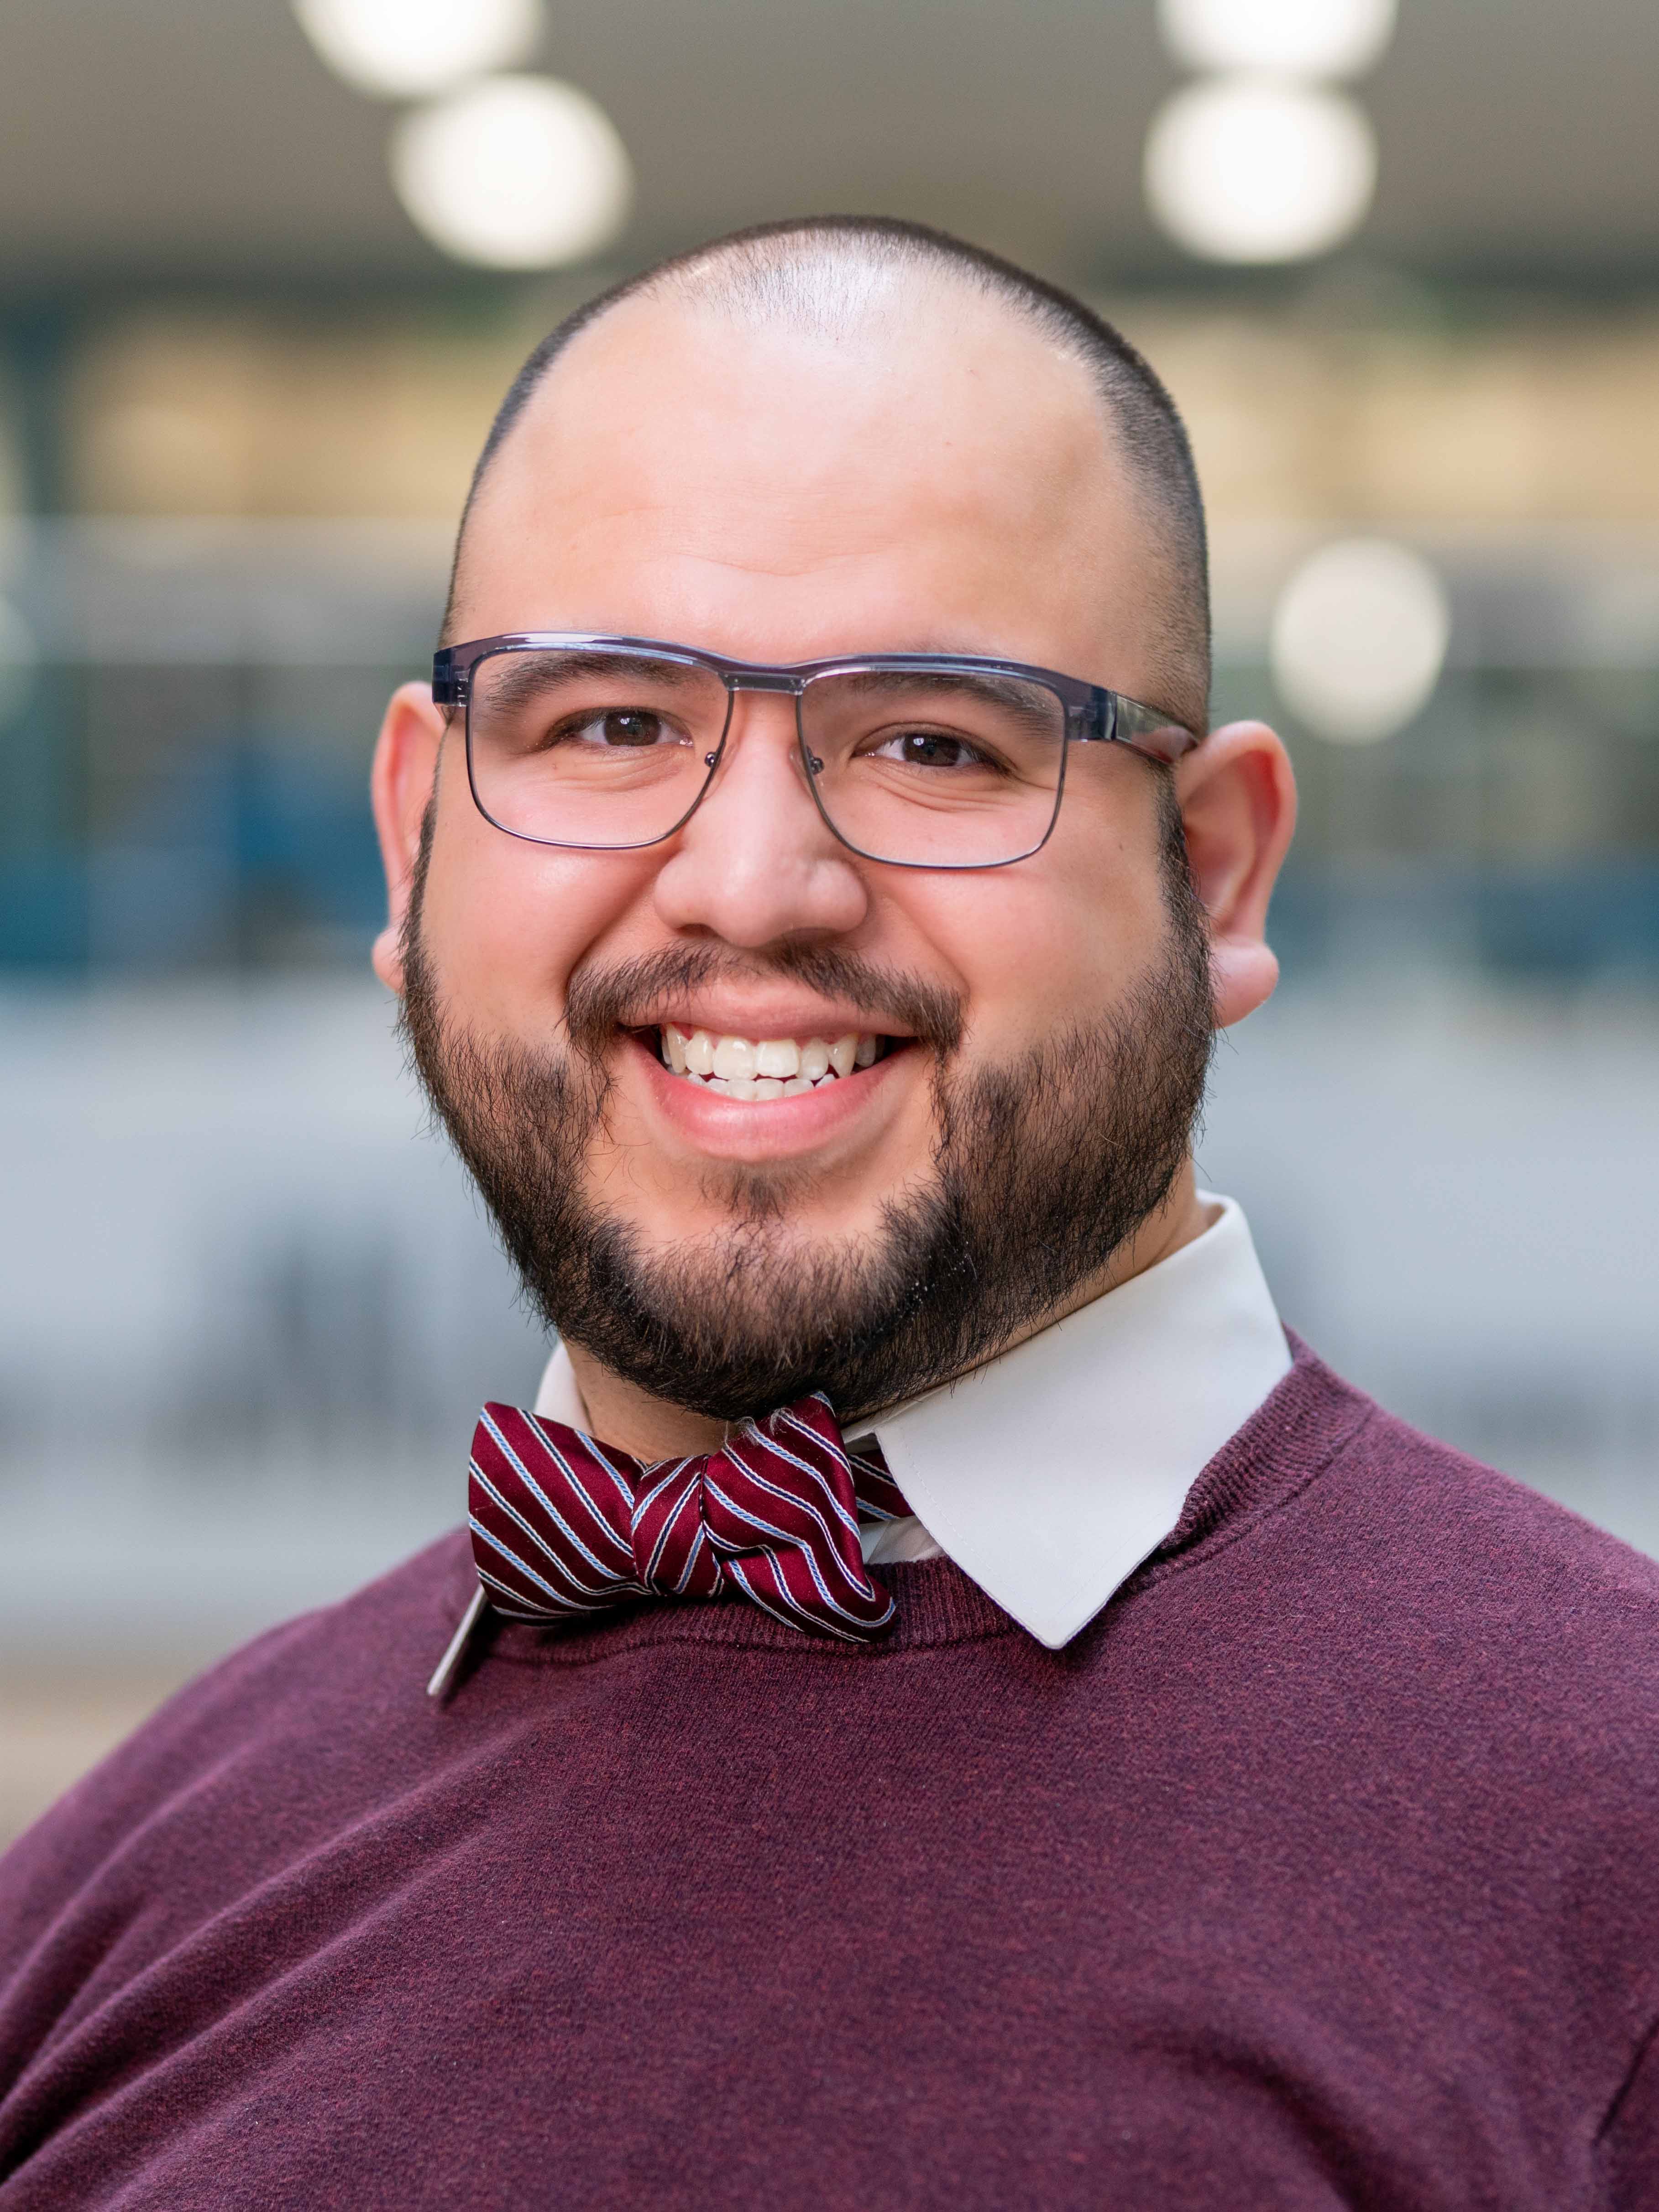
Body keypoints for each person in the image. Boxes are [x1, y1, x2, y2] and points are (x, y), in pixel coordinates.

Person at [1, 216, 1656, 2212]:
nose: (754, 886)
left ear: (1212, 875)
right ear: (412, 833)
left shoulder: (1610, 1833)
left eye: (934, 741)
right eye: (611, 726)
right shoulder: (112, 1901)